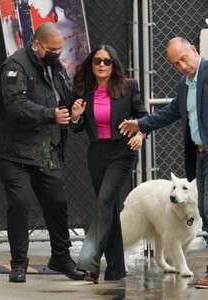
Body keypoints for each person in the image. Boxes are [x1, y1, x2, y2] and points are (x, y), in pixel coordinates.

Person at [0, 22, 84, 283]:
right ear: (36, 44)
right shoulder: (15, 66)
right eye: (52, 49)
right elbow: (15, 105)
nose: (57, 53)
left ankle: (61, 258)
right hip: (15, 153)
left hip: (47, 151)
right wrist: (50, 115)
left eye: (60, 48)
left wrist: (74, 114)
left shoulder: (57, 68)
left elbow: (64, 103)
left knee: (57, 203)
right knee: (19, 204)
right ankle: (19, 264)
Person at [119, 36, 208, 288]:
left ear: (194, 49)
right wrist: (140, 124)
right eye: (175, 64)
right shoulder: (184, 84)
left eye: (183, 59)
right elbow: (170, 112)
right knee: (203, 207)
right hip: (200, 155)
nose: (181, 66)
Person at [70, 44, 148, 283]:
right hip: (96, 154)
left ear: (114, 64)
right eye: (97, 61)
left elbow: (143, 117)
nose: (102, 65)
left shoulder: (129, 86)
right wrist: (74, 117)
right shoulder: (83, 90)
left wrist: (139, 134)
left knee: (104, 201)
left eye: (107, 61)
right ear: (91, 64)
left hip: (121, 153)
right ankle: (116, 269)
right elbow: (77, 127)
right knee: (109, 209)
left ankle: (89, 263)